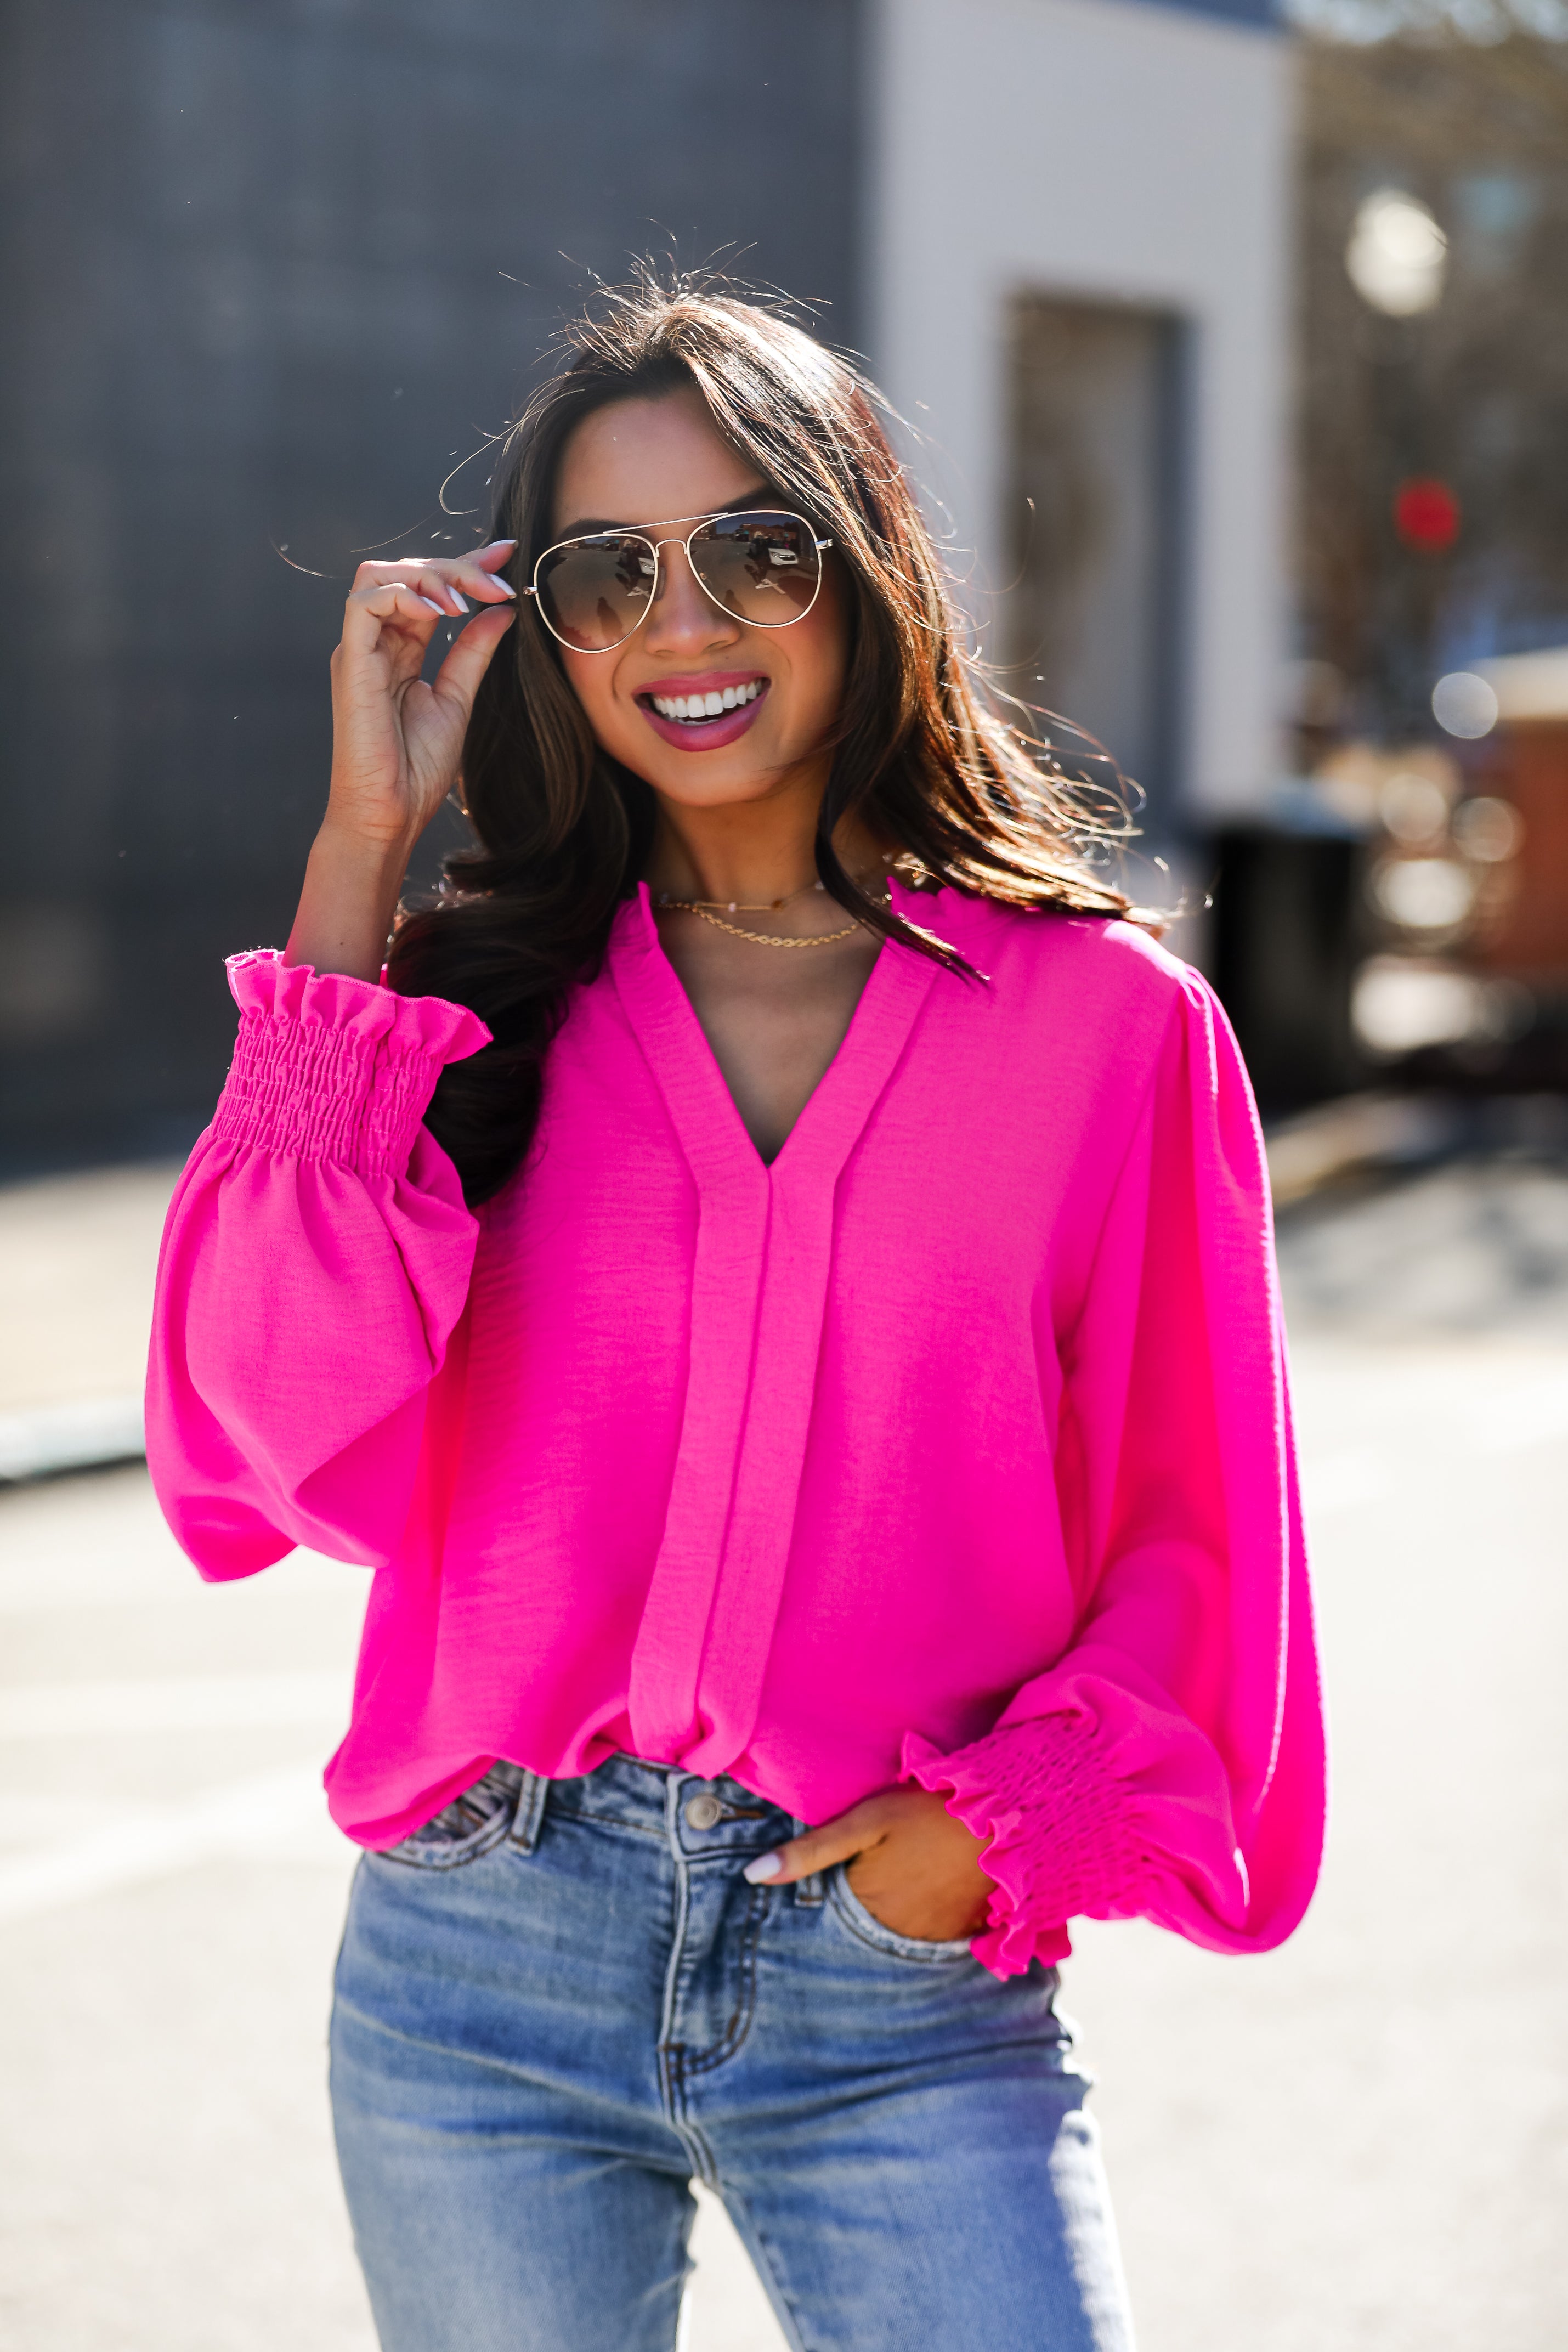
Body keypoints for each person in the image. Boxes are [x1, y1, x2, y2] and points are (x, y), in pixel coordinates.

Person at [146, 279, 1324, 2352]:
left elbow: (1196, 1542)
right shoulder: (462, 998)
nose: (684, 626)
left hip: (892, 1980)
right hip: (478, 1986)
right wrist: (361, 849)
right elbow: (254, 1440)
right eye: (609, 574)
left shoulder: (1110, 1032)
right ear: (551, 629)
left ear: (861, 571)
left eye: (754, 552)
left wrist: (981, 1849)